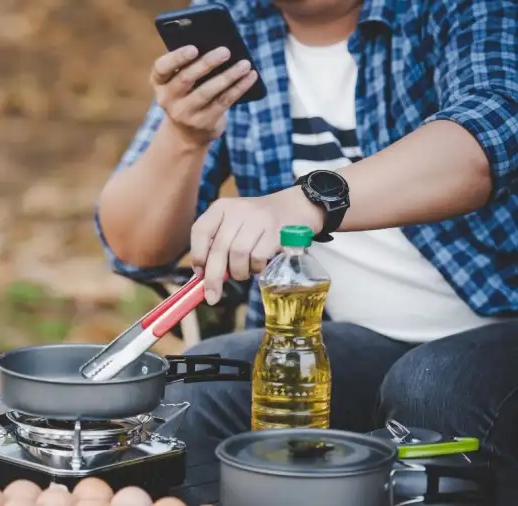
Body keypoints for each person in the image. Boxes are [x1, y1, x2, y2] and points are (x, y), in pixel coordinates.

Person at [95, 0, 518, 503]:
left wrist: (308, 201)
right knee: (198, 382)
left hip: (499, 327)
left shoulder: (457, 8)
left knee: (432, 387)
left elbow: (493, 129)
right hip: (348, 335)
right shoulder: (235, 26)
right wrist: (184, 136)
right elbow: (136, 248)